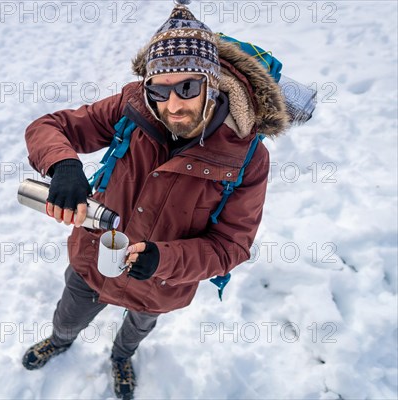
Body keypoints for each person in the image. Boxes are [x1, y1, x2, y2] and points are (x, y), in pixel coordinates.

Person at [22, 4, 289, 399]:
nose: (173, 105)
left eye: (187, 88)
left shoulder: (247, 157)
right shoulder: (132, 107)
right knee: (69, 313)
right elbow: (50, 127)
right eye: (159, 90)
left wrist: (165, 260)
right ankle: (61, 342)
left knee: (138, 328)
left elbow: (232, 245)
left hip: (162, 283)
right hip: (94, 257)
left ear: (211, 83)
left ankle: (121, 356)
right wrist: (63, 165)